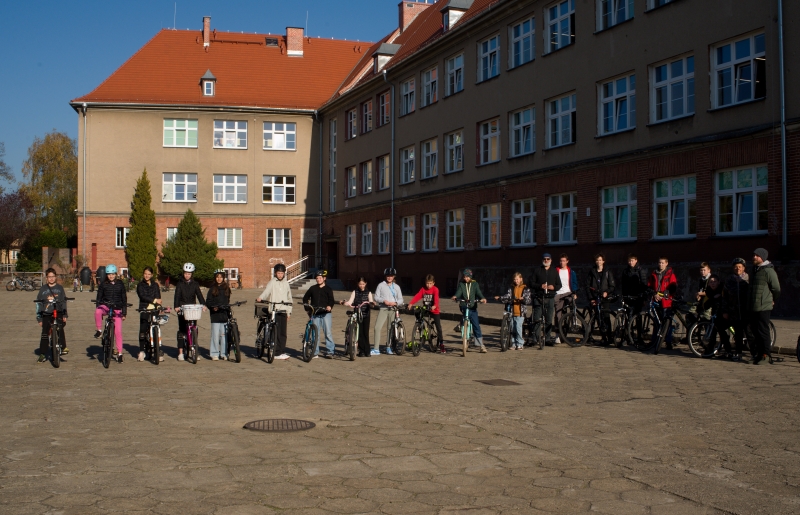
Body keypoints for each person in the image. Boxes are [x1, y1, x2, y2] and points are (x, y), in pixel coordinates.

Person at [749, 248, 781, 365]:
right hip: (753, 306)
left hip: (764, 306)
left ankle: (766, 355)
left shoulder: (768, 271)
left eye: (757, 256)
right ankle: (758, 353)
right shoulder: (755, 270)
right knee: (755, 331)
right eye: (754, 255)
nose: (754, 257)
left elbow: (776, 288)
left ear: (763, 257)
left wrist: (773, 299)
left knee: (763, 331)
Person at [257, 264, 293, 360]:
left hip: (284, 310)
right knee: (275, 331)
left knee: (283, 333)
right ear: (275, 273)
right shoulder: (272, 282)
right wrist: (261, 297)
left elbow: (289, 298)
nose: (280, 275)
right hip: (274, 310)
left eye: (282, 273)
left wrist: (289, 312)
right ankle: (276, 352)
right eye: (278, 273)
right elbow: (267, 291)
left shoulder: (286, 283)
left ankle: (281, 351)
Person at [94, 264, 127, 363]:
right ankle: (99, 330)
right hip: (106, 306)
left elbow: (124, 298)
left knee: (118, 332)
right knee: (97, 311)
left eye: (112, 274)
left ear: (116, 274)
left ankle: (120, 353)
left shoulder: (120, 284)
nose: (111, 276)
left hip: (117, 308)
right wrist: (98, 304)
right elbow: (99, 296)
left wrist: (124, 312)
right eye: (109, 274)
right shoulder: (103, 284)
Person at [173, 262, 206, 362]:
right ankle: (180, 352)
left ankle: (195, 351)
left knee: (194, 329)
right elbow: (177, 296)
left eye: (189, 273)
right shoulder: (180, 284)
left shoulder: (195, 284)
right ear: (183, 273)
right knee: (182, 331)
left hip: (192, 309)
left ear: (192, 274)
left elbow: (199, 295)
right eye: (186, 273)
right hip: (183, 309)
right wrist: (176, 306)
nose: (187, 275)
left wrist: (203, 305)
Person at [36, 268, 69, 363]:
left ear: (55, 277)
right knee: (45, 333)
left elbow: (64, 302)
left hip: (58, 312)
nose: (51, 278)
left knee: (60, 327)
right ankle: (42, 354)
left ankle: (63, 347)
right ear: (46, 278)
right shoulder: (43, 289)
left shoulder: (60, 288)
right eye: (49, 277)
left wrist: (65, 315)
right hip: (46, 313)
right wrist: (39, 318)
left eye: (53, 276)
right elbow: (38, 304)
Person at [452, 268, 488, 353]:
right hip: (464, 305)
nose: (466, 278)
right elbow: (459, 292)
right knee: (465, 314)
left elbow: (478, 292)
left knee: (476, 325)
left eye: (467, 277)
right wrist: (455, 296)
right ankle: (462, 324)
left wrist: (482, 298)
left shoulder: (475, 284)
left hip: (472, 306)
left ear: (470, 276)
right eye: (464, 277)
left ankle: (481, 345)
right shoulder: (461, 284)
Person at [721, 258, 750, 361]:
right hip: (733, 311)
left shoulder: (748, 279)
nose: (738, 269)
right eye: (736, 267)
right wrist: (725, 311)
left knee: (749, 332)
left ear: (743, 268)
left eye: (740, 267)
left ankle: (754, 353)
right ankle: (738, 353)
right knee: (737, 334)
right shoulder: (729, 280)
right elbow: (724, 297)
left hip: (746, 311)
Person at [302, 270, 336, 358]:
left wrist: (329, 306)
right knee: (314, 333)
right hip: (315, 313)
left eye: (320, 278)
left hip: (325, 313)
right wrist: (307, 308)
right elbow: (305, 298)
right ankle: (315, 351)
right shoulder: (313, 288)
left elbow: (331, 300)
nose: (318, 280)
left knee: (327, 332)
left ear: (324, 278)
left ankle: (330, 351)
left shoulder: (328, 289)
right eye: (317, 278)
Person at [530, 253, 562, 347]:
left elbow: (559, 285)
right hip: (539, 297)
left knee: (549, 319)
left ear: (551, 260)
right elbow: (531, 283)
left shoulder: (554, 271)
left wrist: (553, 287)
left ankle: (547, 338)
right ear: (542, 260)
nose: (546, 260)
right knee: (537, 319)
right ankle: (536, 338)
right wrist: (540, 286)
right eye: (545, 259)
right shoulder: (537, 270)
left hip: (550, 297)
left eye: (548, 259)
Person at [495, 272, 531, 350]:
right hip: (512, 311)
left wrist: (523, 299)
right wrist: (500, 298)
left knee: (518, 327)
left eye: (517, 279)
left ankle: (520, 343)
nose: (516, 281)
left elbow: (528, 299)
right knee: (512, 328)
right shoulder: (511, 288)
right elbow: (508, 296)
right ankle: (514, 343)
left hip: (520, 312)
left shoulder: (525, 288)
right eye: (514, 279)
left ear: (521, 279)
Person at [586, 253, 616, 345]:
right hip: (595, 297)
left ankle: (609, 337)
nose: (599, 262)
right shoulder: (592, 272)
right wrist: (591, 298)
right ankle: (602, 336)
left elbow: (612, 286)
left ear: (603, 261)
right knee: (597, 317)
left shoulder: (607, 272)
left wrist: (606, 292)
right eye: (597, 260)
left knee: (606, 317)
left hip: (605, 298)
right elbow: (587, 286)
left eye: (600, 260)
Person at [648, 256, 678, 348]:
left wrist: (666, 294)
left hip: (666, 301)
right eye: (659, 263)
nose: (660, 264)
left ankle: (668, 342)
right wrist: (654, 294)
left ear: (666, 263)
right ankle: (654, 341)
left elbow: (673, 287)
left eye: (662, 263)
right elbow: (650, 285)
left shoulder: (670, 274)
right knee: (656, 322)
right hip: (656, 299)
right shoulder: (654, 273)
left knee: (666, 323)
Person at [410, 274, 445, 353]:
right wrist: (411, 303)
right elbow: (418, 296)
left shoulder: (435, 289)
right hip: (426, 308)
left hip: (434, 310)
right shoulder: (423, 289)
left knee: (438, 327)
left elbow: (436, 299)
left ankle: (441, 344)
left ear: (433, 283)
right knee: (418, 311)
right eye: (427, 283)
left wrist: (435, 305)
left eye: (430, 283)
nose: (428, 285)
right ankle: (419, 326)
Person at [373, 268, 404, 355]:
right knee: (377, 327)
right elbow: (376, 297)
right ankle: (376, 348)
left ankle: (388, 347)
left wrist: (396, 303)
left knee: (390, 329)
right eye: (388, 276)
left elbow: (401, 299)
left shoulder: (397, 287)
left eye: (391, 276)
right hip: (383, 309)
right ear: (385, 276)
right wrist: (383, 301)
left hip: (393, 309)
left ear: (394, 277)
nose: (389, 277)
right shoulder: (381, 285)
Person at [341, 277, 374, 357]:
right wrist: (343, 302)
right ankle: (361, 351)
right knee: (360, 333)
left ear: (365, 283)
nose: (361, 286)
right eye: (360, 284)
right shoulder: (355, 292)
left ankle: (367, 351)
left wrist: (372, 304)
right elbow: (350, 302)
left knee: (365, 333)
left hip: (366, 314)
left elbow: (371, 302)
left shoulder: (368, 292)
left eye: (363, 284)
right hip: (357, 313)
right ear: (357, 284)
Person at [136, 266, 162, 362]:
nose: (147, 276)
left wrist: (159, 306)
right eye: (145, 274)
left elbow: (158, 296)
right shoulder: (140, 285)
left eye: (149, 274)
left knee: (157, 327)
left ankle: (158, 350)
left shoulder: (155, 285)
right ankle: (142, 351)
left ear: (152, 275)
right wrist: (154, 300)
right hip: (144, 308)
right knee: (143, 329)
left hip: (155, 309)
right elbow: (142, 296)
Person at [205, 270, 231, 361]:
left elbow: (227, 301)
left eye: (221, 277)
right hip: (215, 315)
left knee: (224, 335)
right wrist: (213, 307)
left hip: (224, 314)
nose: (219, 279)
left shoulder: (226, 288)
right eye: (217, 277)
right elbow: (208, 301)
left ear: (223, 278)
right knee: (215, 335)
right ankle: (214, 353)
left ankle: (224, 353)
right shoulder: (212, 288)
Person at [554, 254, 579, 344]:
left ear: (567, 261)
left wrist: (575, 292)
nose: (562, 262)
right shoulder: (556, 271)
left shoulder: (571, 272)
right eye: (561, 261)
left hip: (568, 292)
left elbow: (574, 283)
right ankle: (557, 335)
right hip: (558, 293)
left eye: (564, 261)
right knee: (558, 314)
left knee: (573, 305)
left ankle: (574, 321)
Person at [686, 262, 713, 331]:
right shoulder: (701, 279)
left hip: (709, 303)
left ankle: (708, 337)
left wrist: (701, 293)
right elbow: (701, 290)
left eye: (704, 270)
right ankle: (692, 333)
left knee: (706, 318)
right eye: (701, 270)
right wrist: (698, 295)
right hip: (701, 301)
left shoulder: (711, 279)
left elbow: (711, 292)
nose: (702, 272)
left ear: (709, 270)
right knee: (690, 314)